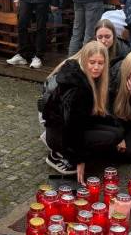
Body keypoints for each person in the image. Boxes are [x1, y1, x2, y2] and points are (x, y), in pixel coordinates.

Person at [42, 41, 122, 179]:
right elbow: (72, 128)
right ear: (84, 61)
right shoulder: (79, 89)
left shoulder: (86, 77)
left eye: (100, 63)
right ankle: (62, 155)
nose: (96, 67)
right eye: (92, 62)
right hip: (61, 134)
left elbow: (87, 116)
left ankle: (66, 152)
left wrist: (115, 124)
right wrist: (79, 160)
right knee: (113, 136)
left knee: (117, 132)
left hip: (64, 128)